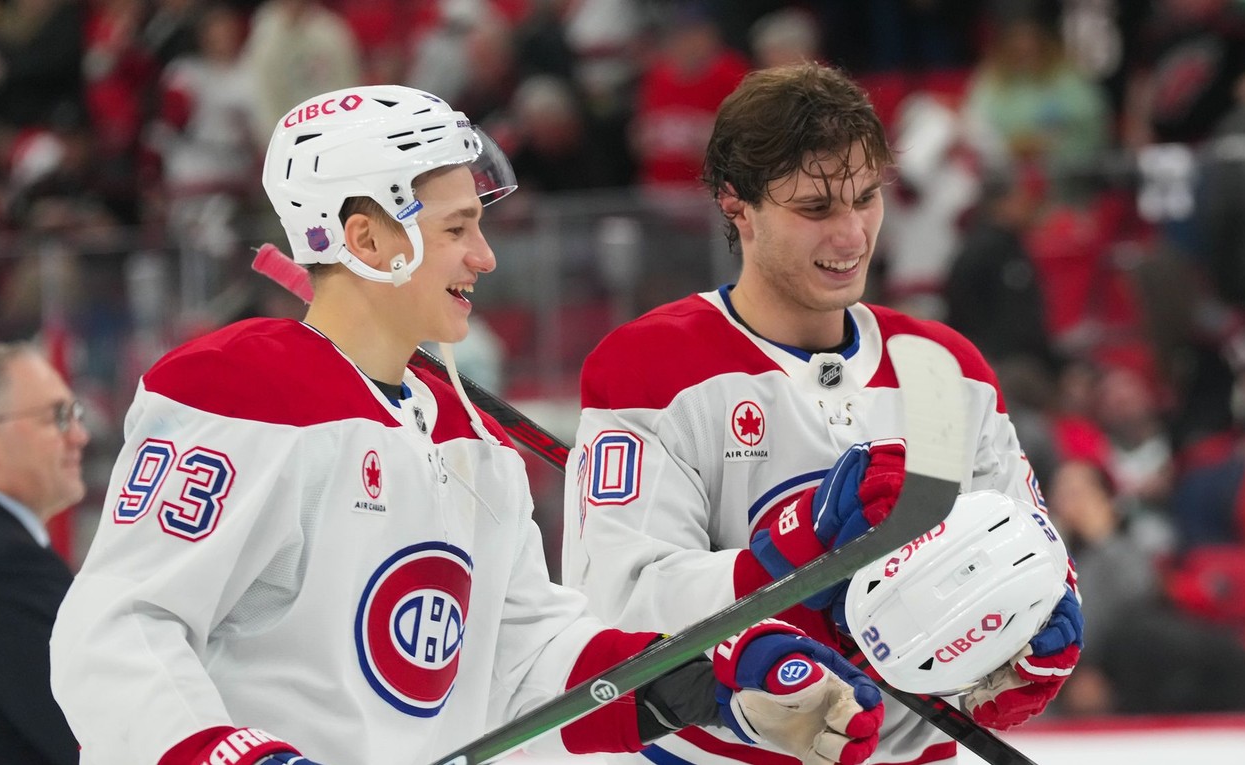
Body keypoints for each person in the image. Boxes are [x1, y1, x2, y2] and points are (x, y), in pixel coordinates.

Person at [49, 84, 888, 765]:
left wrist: (713, 678)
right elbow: (119, 628)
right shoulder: (244, 390)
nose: (484, 256)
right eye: (457, 227)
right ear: (366, 239)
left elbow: (520, 659)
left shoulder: (466, 437)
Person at [563, 62, 1083, 765]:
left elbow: (1029, 557)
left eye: (866, 198)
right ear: (736, 203)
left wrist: (1029, 643)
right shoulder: (654, 368)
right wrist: (784, 557)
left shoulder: (941, 371)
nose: (852, 235)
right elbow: (615, 605)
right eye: (815, 209)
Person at [0, 342, 86, 765]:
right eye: (57, 417)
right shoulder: (6, 566)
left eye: (76, 415)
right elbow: (94, 733)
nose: (79, 436)